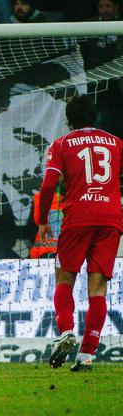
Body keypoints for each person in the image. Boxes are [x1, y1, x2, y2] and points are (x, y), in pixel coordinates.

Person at [38, 95, 122, 372]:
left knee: (65, 276)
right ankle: (86, 355)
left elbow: (49, 184)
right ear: (94, 116)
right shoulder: (117, 143)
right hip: (110, 219)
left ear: (68, 119)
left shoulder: (61, 144)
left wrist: (42, 220)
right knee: (98, 287)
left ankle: (66, 331)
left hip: (78, 218)